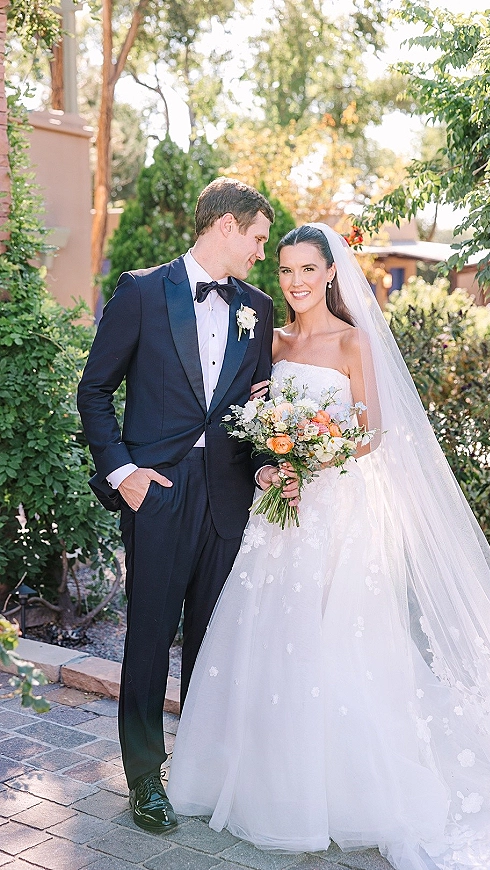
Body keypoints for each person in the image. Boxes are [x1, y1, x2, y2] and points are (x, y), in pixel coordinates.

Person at [167, 224, 490, 869]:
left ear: (331, 273)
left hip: (334, 507)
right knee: (271, 632)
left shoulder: (354, 342)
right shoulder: (271, 343)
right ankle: (265, 780)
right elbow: (254, 415)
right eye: (285, 271)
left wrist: (313, 451)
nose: (296, 282)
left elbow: (374, 434)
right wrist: (275, 453)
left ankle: (343, 789)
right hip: (281, 512)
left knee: (336, 638)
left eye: (307, 269)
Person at [77, 178, 298, 833]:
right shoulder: (144, 292)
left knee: (213, 640)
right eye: (258, 238)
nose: (262, 252)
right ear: (225, 227)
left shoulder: (256, 308)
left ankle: (196, 772)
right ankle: (145, 780)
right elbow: (94, 392)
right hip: (158, 494)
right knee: (147, 640)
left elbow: (248, 417)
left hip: (228, 500)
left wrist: (263, 467)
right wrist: (122, 472)